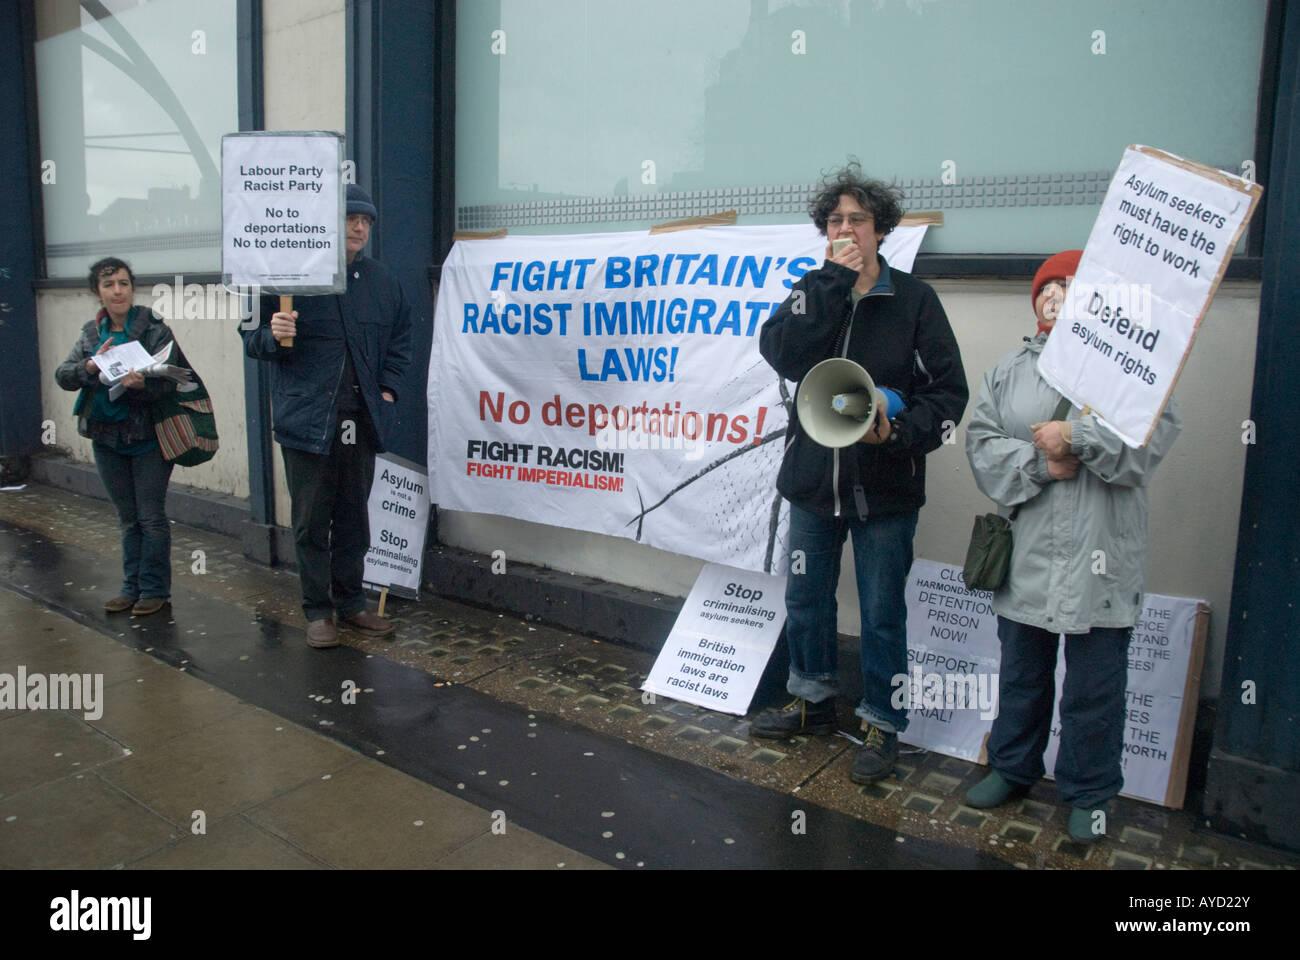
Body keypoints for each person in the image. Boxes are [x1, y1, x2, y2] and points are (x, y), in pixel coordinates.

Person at [753, 162, 969, 783]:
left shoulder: (914, 301)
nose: (845, 228)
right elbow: (784, 354)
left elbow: (948, 395)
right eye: (836, 220)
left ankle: (882, 722)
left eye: (858, 220)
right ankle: (811, 701)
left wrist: (897, 424)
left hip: (885, 487)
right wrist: (827, 285)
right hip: (814, 482)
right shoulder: (812, 287)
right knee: (806, 596)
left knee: (880, 610)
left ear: (881, 231)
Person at [963, 249, 1181, 842]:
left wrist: (1076, 437)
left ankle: (1088, 793)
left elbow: (1148, 444)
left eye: (1071, 285)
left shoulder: (1134, 369)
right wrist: (1038, 460)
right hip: (1029, 554)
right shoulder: (1010, 370)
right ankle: (1011, 767)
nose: (1056, 295)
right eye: (1048, 286)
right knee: (1023, 675)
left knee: (1096, 687)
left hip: (1101, 559)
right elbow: (980, 444)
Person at [242, 184, 413, 649]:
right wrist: (272, 334)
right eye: (350, 218)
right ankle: (318, 611)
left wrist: (389, 391)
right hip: (307, 422)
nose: (359, 227)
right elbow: (251, 338)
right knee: (311, 521)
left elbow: (400, 341)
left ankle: (352, 603)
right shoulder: (291, 277)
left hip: (362, 420)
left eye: (366, 221)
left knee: (355, 518)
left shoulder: (382, 282)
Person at [55, 257, 181, 616]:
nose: (117, 291)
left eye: (123, 283)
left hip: (150, 438)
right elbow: (63, 376)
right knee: (128, 517)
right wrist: (90, 366)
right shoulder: (92, 333)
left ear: (132, 287)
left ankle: (155, 590)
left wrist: (144, 384)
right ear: (98, 291)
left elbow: (176, 381)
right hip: (106, 437)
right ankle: (131, 587)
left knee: (150, 516)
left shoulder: (154, 327)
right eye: (109, 285)